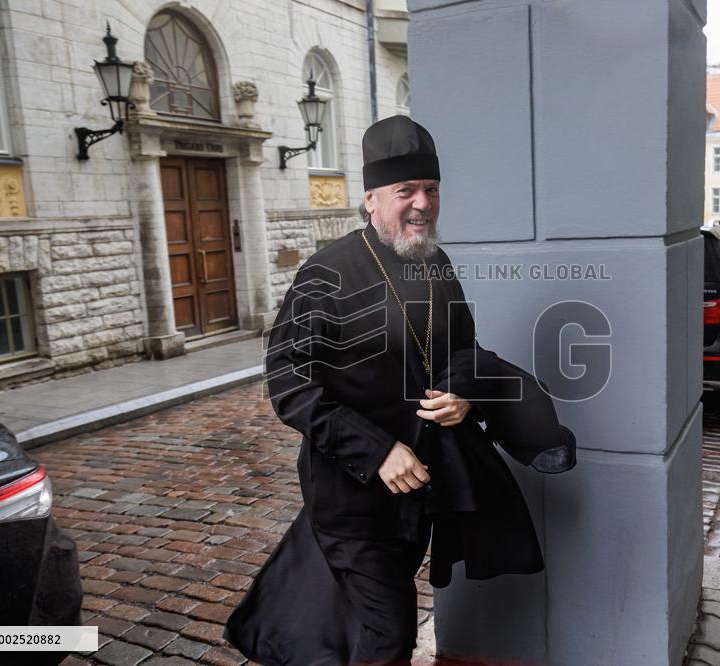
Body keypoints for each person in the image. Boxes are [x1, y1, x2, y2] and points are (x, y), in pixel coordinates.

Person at [224, 115, 574, 666]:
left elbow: (462, 349)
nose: (422, 204)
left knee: (360, 621)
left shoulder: (435, 263)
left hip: (419, 491)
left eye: (431, 190)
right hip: (352, 494)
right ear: (370, 199)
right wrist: (377, 450)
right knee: (389, 635)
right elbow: (290, 382)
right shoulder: (326, 272)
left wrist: (464, 395)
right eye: (405, 190)